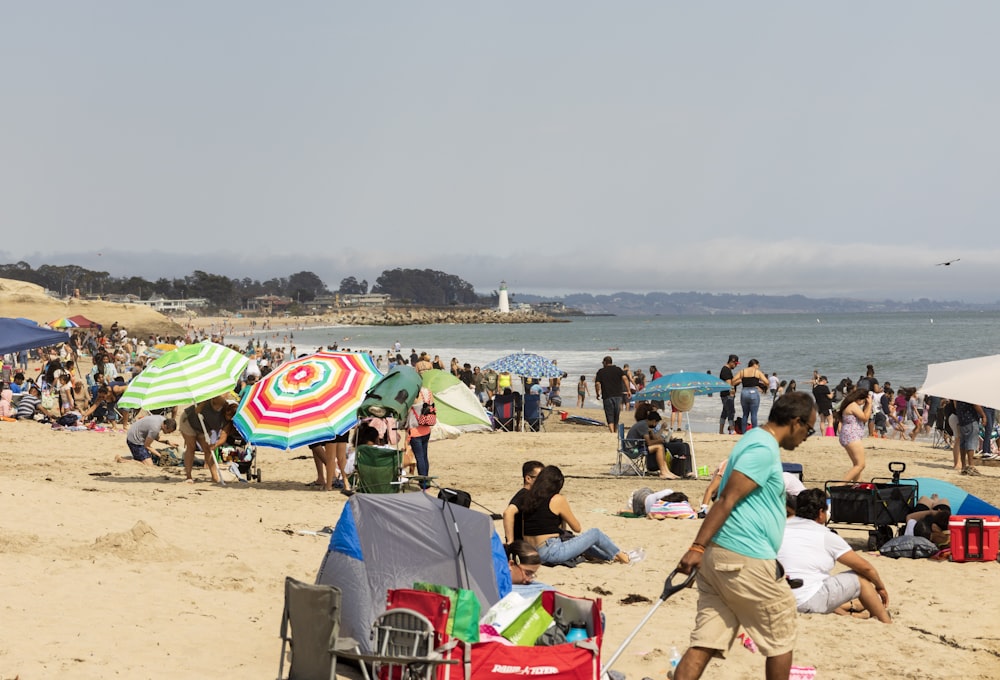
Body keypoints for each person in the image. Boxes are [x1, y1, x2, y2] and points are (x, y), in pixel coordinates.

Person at [673, 392, 817, 680]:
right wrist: (696, 547)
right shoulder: (763, 449)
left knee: (706, 640)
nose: (807, 437)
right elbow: (726, 499)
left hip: (721, 559)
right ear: (795, 422)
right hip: (741, 556)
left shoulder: (754, 440)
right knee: (781, 631)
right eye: (809, 429)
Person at [778, 488, 892, 623]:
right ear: (821, 513)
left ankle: (852, 613)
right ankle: (885, 621)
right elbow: (865, 568)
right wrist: (880, 587)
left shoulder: (780, 528)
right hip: (806, 600)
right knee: (860, 578)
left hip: (781, 599)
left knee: (820, 583)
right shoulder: (825, 535)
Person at [515, 465, 644, 565]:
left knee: (577, 542)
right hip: (550, 551)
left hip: (531, 552)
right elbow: (577, 527)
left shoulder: (528, 497)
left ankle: (613, 557)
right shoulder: (557, 499)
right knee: (595, 533)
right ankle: (625, 558)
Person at [178, 394, 228, 483]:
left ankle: (215, 477)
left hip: (204, 427)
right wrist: (203, 402)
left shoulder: (227, 420)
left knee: (208, 450)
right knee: (191, 447)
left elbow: (223, 437)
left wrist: (215, 445)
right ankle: (188, 476)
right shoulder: (212, 401)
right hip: (189, 421)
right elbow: (197, 411)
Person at [406, 361, 436, 488]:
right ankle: (426, 479)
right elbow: (432, 407)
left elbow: (408, 410)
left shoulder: (414, 394)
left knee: (419, 457)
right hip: (426, 428)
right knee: (424, 455)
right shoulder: (428, 393)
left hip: (415, 429)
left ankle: (423, 482)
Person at [626, 410, 679, 479]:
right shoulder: (643, 426)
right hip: (633, 450)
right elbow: (649, 442)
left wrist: (651, 432)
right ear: (654, 421)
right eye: (657, 423)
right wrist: (659, 441)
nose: (656, 425)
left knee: (660, 446)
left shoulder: (644, 424)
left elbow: (654, 438)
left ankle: (666, 471)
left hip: (635, 447)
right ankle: (663, 472)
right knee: (659, 447)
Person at [503, 460, 545, 544]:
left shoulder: (531, 495)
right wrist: (510, 541)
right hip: (522, 543)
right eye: (540, 478)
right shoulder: (523, 495)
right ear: (528, 479)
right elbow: (507, 513)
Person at [837, 388, 872, 481]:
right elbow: (865, 418)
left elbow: (862, 416)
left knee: (856, 464)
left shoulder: (850, 404)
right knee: (861, 465)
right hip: (851, 436)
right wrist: (870, 404)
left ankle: (857, 484)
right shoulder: (853, 405)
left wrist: (867, 405)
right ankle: (839, 485)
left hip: (848, 435)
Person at [731, 359, 768, 430]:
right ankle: (754, 432)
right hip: (754, 392)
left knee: (745, 414)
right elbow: (767, 382)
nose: (758, 367)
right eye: (758, 365)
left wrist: (737, 384)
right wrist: (765, 387)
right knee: (754, 414)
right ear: (755, 364)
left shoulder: (743, 371)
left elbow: (733, 380)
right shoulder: (757, 372)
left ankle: (744, 432)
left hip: (744, 392)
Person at [594, 356, 628, 433]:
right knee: (616, 414)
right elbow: (625, 379)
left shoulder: (601, 371)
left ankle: (612, 432)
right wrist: (628, 390)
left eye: (603, 362)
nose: (602, 364)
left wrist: (597, 393)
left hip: (607, 396)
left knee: (609, 414)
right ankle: (614, 431)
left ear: (605, 362)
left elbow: (597, 383)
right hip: (618, 395)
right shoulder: (618, 369)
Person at [955, 400, 986, 476]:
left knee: (963, 443)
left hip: (962, 420)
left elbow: (956, 406)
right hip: (970, 420)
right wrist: (983, 415)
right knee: (971, 443)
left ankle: (964, 466)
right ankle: (971, 466)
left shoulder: (958, 395)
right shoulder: (969, 394)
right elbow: (975, 404)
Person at [718, 355, 739, 435]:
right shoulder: (726, 370)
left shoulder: (726, 369)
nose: (736, 365)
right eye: (735, 363)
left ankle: (721, 430)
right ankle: (732, 430)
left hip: (724, 394)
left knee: (725, 412)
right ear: (731, 361)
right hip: (727, 395)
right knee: (731, 411)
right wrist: (737, 382)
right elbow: (729, 384)